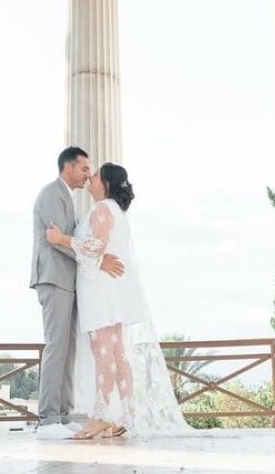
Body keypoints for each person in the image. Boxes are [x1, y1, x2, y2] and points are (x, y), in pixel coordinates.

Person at [47, 162, 190, 439]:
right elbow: (104, 249)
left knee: (104, 351)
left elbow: (96, 246)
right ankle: (124, 414)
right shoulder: (116, 211)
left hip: (100, 290)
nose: (91, 176)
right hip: (111, 290)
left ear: (107, 184)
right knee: (116, 353)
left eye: (97, 173)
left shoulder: (102, 209)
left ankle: (101, 415)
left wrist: (61, 238)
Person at [31, 147, 125, 440]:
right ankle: (48, 419)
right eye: (84, 169)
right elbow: (57, 241)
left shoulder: (69, 199)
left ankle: (62, 415)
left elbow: (72, 239)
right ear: (68, 167)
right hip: (54, 278)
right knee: (57, 346)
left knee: (68, 349)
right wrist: (98, 260)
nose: (87, 175)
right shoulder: (51, 194)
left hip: (69, 281)